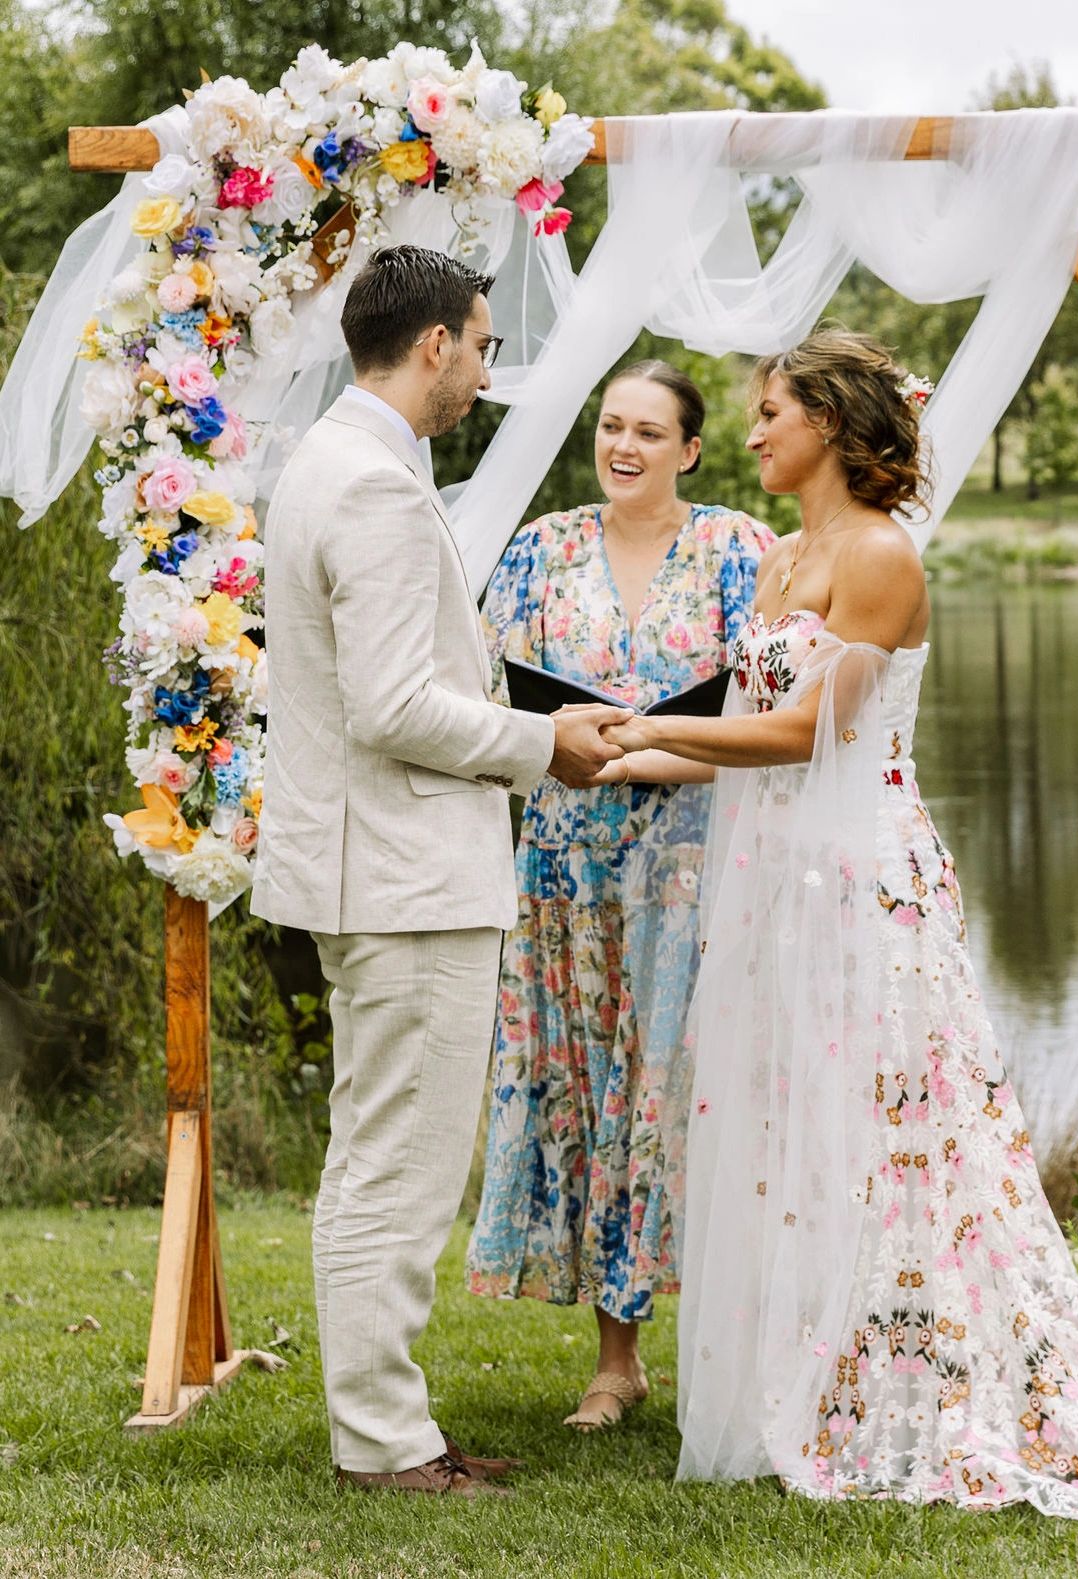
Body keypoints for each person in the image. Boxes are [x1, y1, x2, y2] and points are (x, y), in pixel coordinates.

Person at [599, 329, 1078, 1528]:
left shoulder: (875, 556)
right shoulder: (777, 556)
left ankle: (907, 1378)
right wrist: (642, 758)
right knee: (784, 1116)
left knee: (888, 1128)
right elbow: (754, 745)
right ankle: (807, 1369)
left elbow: (809, 733)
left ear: (828, 420)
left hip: (862, 881)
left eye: (770, 413)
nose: (752, 434)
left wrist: (640, 732)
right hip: (768, 878)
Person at [251, 244, 624, 1498]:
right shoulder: (370, 485)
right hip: (402, 874)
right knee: (399, 1171)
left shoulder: (335, 461)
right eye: (482, 341)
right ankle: (383, 1442)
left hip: (376, 865)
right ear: (431, 347)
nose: (484, 366)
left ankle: (391, 1425)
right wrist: (543, 744)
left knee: (383, 1154)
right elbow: (396, 705)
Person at [465, 360, 774, 1430]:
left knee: (696, 1092)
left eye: (649, 430)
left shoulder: (741, 550)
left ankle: (746, 1347)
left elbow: (770, 714)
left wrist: (642, 750)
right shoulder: (540, 550)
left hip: (696, 863)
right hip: (566, 870)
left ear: (690, 448)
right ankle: (614, 1360)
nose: (624, 445)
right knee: (599, 1091)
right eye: (610, 426)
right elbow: (485, 694)